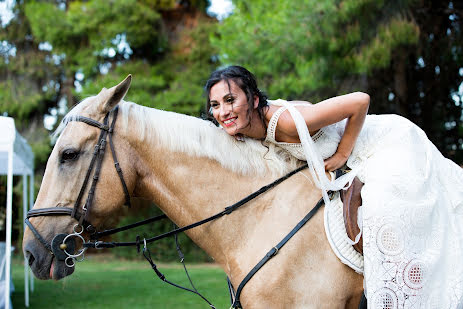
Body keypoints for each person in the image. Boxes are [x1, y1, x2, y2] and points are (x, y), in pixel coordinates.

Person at [205, 65, 463, 308]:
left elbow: (360, 100)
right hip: (357, 155)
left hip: (385, 143)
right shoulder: (247, 127)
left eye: (230, 100)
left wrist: (342, 153)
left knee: (386, 207)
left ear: (254, 99)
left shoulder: (287, 122)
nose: (223, 112)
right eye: (215, 105)